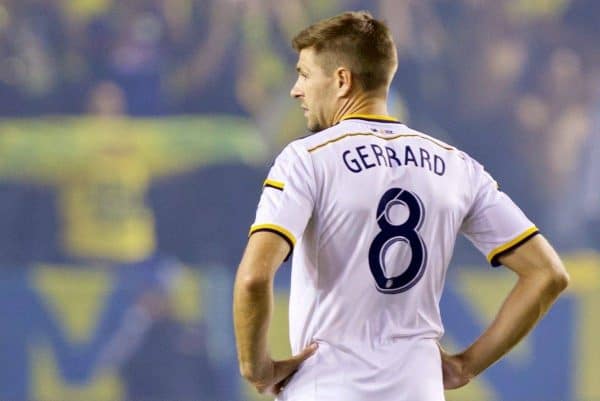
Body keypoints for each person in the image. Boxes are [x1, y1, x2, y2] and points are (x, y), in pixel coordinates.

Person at [233, 11, 569, 401]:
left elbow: (254, 278)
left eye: (305, 75)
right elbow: (547, 275)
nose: (296, 89)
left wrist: (256, 369)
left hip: (327, 389)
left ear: (342, 80)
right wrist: (466, 366)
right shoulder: (455, 165)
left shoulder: (307, 159)